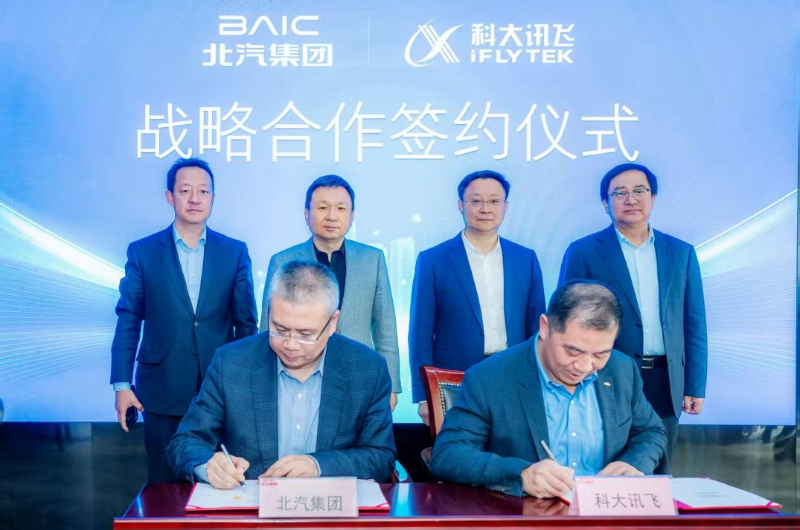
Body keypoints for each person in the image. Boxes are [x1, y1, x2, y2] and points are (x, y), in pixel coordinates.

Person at [168, 260, 396, 488]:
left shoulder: (367, 369)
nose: (290, 345)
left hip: (331, 505)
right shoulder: (231, 363)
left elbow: (380, 456)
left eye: (305, 334)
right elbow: (186, 441)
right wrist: (208, 466)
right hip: (250, 504)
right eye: (280, 329)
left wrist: (318, 466)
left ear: (332, 323)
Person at [430, 281, 666, 498]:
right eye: (573, 351)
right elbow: (448, 454)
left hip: (607, 510)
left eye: (600, 354)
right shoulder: (490, 377)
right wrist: (521, 474)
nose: (584, 366)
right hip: (530, 515)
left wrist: (633, 464)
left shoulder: (622, 369)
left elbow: (651, 431)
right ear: (545, 327)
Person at [110, 157, 258, 483]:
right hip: (161, 388)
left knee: (222, 482)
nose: (194, 198)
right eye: (185, 190)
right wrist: (122, 385)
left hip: (220, 390)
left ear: (213, 198)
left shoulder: (234, 251)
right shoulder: (144, 252)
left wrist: (244, 385)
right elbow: (129, 319)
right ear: (170, 197)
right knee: (164, 483)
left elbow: (246, 325)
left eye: (203, 191)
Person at [558, 163, 707, 473]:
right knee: (607, 466)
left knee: (659, 468)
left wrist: (695, 384)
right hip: (603, 374)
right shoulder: (584, 251)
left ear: (653, 197)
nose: (631, 199)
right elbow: (566, 319)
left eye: (639, 191)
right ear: (605, 203)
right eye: (619, 193)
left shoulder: (681, 252)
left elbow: (694, 323)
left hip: (665, 379)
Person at [409, 170, 545, 424]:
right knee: (458, 446)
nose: (485, 208)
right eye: (476, 201)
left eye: (494, 201)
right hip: (452, 381)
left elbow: (537, 328)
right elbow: (420, 333)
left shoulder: (525, 259)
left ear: (505, 207)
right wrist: (424, 395)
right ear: (461, 205)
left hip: (514, 375)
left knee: (512, 446)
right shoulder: (433, 260)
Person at [260, 175, 401, 409]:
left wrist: (392, 385)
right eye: (323, 207)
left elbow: (385, 327)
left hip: (359, 373)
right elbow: (268, 329)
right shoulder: (283, 261)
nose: (332, 216)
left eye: (341, 208)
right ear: (306, 213)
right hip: (299, 376)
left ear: (352, 215)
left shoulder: (373, 259)